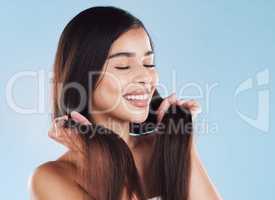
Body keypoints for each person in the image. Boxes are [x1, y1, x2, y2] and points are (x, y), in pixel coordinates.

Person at [29, 6, 222, 200]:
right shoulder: (52, 178)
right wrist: (99, 156)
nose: (146, 77)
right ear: (82, 78)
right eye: (123, 66)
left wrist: (182, 140)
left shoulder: (165, 150)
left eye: (149, 63)